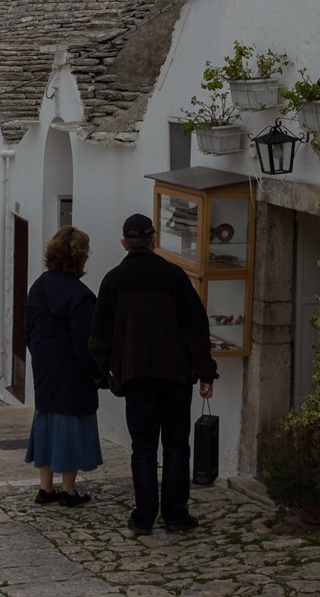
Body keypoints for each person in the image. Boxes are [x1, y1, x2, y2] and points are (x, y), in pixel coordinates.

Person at [90, 212, 218, 536]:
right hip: (175, 376)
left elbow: (99, 334)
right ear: (154, 240)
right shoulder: (174, 276)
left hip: (135, 378)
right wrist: (206, 372)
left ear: (124, 244)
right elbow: (195, 327)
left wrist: (103, 373)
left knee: (143, 448)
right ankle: (175, 515)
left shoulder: (113, 281)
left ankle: (143, 517)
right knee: (176, 446)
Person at [24, 226, 104, 507]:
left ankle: (45, 487)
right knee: (71, 423)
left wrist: (42, 356)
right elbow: (86, 343)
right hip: (72, 370)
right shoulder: (81, 297)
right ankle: (68, 490)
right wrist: (97, 374)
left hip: (46, 365)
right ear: (80, 258)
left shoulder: (40, 286)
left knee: (46, 419)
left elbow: (28, 330)